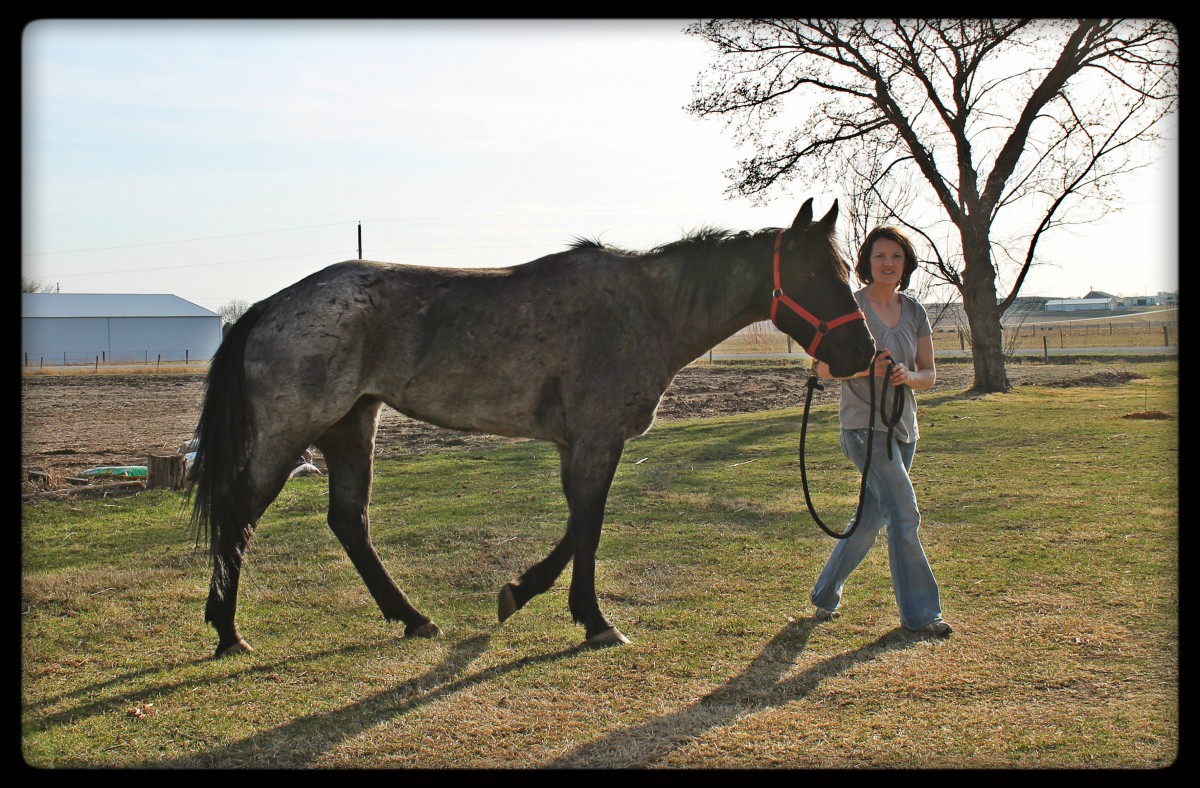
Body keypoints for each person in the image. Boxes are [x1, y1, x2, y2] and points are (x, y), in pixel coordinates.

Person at [809, 225, 952, 637]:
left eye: (896, 257)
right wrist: (862, 368)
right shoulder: (850, 307)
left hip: (903, 429)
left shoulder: (916, 311)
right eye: (880, 257)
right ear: (866, 264)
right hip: (861, 428)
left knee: (872, 518)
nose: (888, 264)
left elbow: (930, 375)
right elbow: (820, 368)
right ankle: (922, 615)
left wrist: (909, 375)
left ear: (905, 264)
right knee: (905, 514)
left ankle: (824, 594)